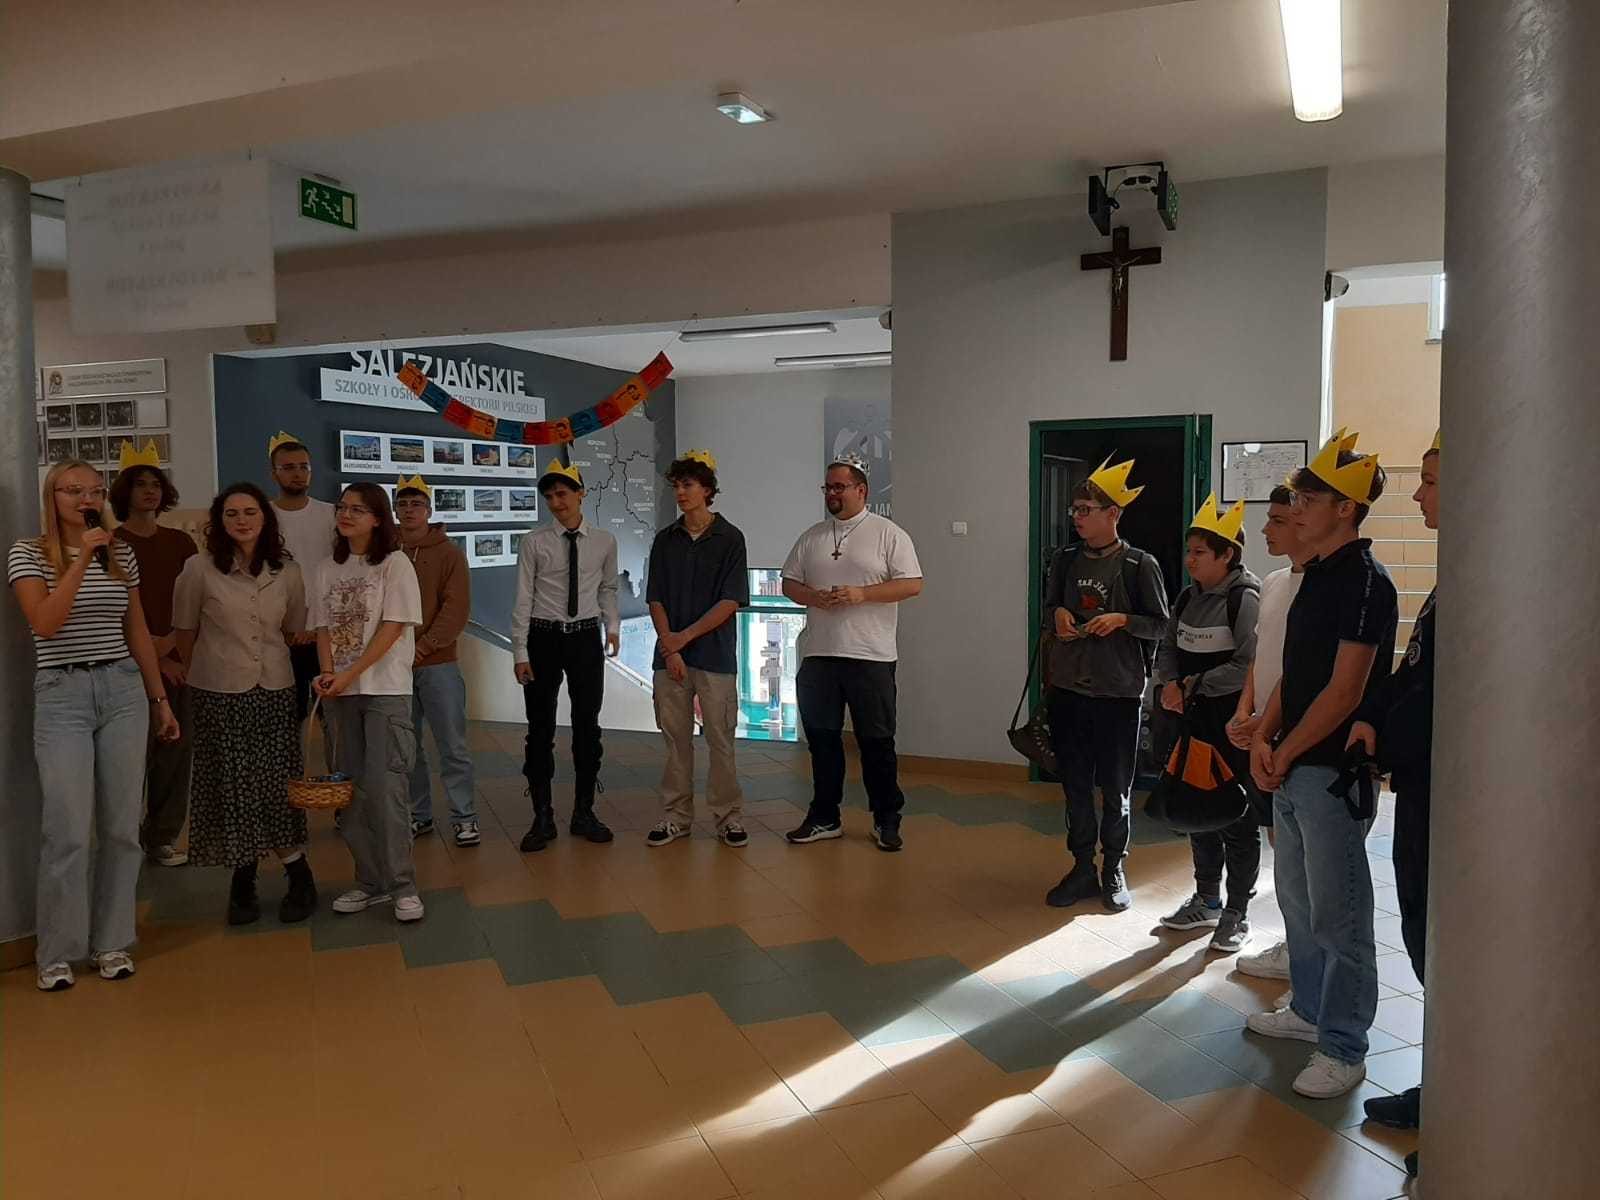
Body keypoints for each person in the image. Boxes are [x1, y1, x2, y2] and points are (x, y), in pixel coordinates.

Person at [1246, 430, 1397, 1100]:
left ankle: (1344, 1046)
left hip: (1329, 772)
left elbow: (1344, 690)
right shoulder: (1315, 575)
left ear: (1346, 509)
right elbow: (1297, 674)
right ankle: (1308, 1011)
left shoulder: (1366, 582)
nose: (1297, 509)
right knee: (1299, 904)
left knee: (1341, 918)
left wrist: (1285, 750)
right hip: (1291, 763)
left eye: (1311, 500)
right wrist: (1264, 734)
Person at [9, 460, 181, 991]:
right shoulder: (27, 552)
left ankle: (112, 942)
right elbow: (45, 623)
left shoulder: (120, 552)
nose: (85, 499)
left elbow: (136, 629)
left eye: (94, 490)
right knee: (66, 829)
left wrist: (159, 699)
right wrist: (82, 557)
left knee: (121, 827)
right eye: (73, 490)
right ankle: (58, 952)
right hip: (63, 692)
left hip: (123, 689)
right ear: (52, 496)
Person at [173, 484, 316, 925]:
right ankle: (242, 879)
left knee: (276, 783)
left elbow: (293, 628)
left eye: (250, 511)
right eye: (232, 513)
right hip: (219, 692)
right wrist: (202, 669)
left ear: (265, 518)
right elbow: (184, 630)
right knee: (234, 785)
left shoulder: (287, 571)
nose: (242, 520)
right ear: (219, 521)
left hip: (275, 688)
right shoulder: (199, 569)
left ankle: (299, 875)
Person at [1357, 431, 1438, 1179]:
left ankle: (1461, 1106)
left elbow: (1440, 693)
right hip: (1418, 786)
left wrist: (1384, 733)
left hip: (1450, 795)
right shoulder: (1456, 578)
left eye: (1433, 481)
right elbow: (1411, 676)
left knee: (1447, 945)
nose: (1419, 493)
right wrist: (1375, 723)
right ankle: (1444, 1088)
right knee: (1423, 936)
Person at [1040, 457, 1170, 911]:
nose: (1076, 517)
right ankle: (1081, 867)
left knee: (1116, 788)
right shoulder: (1064, 560)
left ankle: (1114, 867)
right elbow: (1048, 609)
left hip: (1118, 692)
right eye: (1073, 509)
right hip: (1068, 689)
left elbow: (1161, 625)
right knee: (1075, 785)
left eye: (1085, 510)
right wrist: (1057, 614)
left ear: (1113, 513)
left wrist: (1122, 620)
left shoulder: (1139, 564)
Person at [780, 452, 923, 852]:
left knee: (876, 742)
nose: (832, 494)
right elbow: (789, 583)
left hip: (871, 656)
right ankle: (825, 816)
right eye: (827, 487)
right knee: (823, 740)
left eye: (839, 487)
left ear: (861, 490)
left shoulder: (888, 534)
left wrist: (862, 594)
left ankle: (886, 819)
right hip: (819, 654)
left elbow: (912, 583)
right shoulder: (811, 537)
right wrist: (812, 597)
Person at [310, 483, 426, 923]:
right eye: (342, 507)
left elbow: (393, 628)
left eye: (358, 509)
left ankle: (402, 885)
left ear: (378, 519)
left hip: (385, 690)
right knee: (351, 790)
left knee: (386, 788)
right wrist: (329, 673)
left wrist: (348, 674)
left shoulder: (395, 564)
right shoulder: (327, 568)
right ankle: (370, 881)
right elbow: (323, 628)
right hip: (341, 693)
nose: (346, 515)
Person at [1154, 494, 1262, 954]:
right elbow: (1167, 647)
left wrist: (1192, 685)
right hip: (1192, 720)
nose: (1190, 560)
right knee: (1197, 808)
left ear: (1227, 555)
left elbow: (1247, 666)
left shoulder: (1245, 599)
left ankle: (1237, 910)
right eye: (1189, 551)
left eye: (1200, 552)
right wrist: (1169, 683)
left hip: (1231, 724)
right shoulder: (1186, 597)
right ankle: (1207, 899)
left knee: (1236, 816)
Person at [510, 459, 620, 852]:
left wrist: (612, 627)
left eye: (562, 494)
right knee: (539, 728)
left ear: (580, 494)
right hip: (543, 637)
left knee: (587, 726)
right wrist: (520, 650)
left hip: (585, 638)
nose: (556, 503)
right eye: (549, 497)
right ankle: (542, 816)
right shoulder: (534, 542)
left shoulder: (604, 541)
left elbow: (608, 588)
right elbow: (523, 597)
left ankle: (584, 811)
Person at [643, 450, 751, 848]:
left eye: (688, 485)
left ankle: (728, 818)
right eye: (676, 486)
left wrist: (682, 639)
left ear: (707, 490)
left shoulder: (730, 538)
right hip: (670, 658)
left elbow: (730, 601)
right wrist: (671, 650)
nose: (681, 493)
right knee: (675, 741)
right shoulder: (665, 540)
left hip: (714, 657)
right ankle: (675, 817)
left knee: (720, 739)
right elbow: (655, 597)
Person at [1231, 484, 1311, 983]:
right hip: (1262, 731)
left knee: (1306, 862)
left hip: (1296, 733)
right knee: (1281, 849)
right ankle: (1293, 943)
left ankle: (1307, 957)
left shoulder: (1323, 586)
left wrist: (1266, 722)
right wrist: (1246, 710)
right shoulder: (1276, 582)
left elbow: (1307, 672)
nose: (1266, 529)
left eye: (1278, 520)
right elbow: (1261, 657)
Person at [109, 443, 196, 867]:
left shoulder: (180, 543)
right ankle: (122, 843)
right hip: (129, 667)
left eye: (155, 485)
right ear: (124, 491)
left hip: (179, 665)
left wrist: (174, 650)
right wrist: (153, 659)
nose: (149, 491)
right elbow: (111, 610)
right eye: (140, 484)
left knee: (175, 758)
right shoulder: (110, 544)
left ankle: (161, 837)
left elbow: (197, 603)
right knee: (129, 763)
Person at [393, 475, 479, 848]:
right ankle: (419, 814)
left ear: (429, 510)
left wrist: (424, 647)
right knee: (406, 747)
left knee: (452, 746)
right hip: (393, 667)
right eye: (402, 504)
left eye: (417, 504)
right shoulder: (386, 552)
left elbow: (455, 608)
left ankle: (464, 817)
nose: (409, 510)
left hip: (438, 664)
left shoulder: (450, 554)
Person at [268, 432, 338, 734]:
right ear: (274, 473)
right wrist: (288, 628)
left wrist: (319, 626)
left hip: (327, 633)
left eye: (303, 467)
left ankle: (335, 769)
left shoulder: (331, 514)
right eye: (288, 467)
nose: (297, 473)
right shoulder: (264, 517)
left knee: (333, 719)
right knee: (286, 721)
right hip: (282, 636)